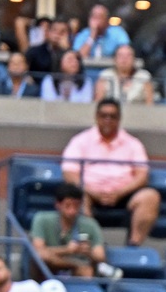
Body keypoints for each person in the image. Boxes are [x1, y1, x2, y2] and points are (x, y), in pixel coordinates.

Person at [61, 99, 156, 244]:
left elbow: (142, 176)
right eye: (104, 115)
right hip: (89, 193)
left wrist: (119, 193)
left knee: (150, 197)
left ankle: (133, 247)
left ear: (119, 119)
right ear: (96, 116)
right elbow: (69, 172)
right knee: (77, 196)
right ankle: (89, 244)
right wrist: (91, 191)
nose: (108, 120)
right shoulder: (80, 141)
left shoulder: (133, 143)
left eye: (112, 116)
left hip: (124, 194)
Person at [30, 183, 107, 277]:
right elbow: (39, 251)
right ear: (58, 204)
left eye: (76, 206)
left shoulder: (90, 224)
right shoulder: (41, 219)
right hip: (50, 266)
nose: (72, 211)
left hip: (78, 267)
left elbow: (100, 256)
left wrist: (88, 252)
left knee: (86, 271)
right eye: (67, 206)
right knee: (42, 255)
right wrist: (67, 250)